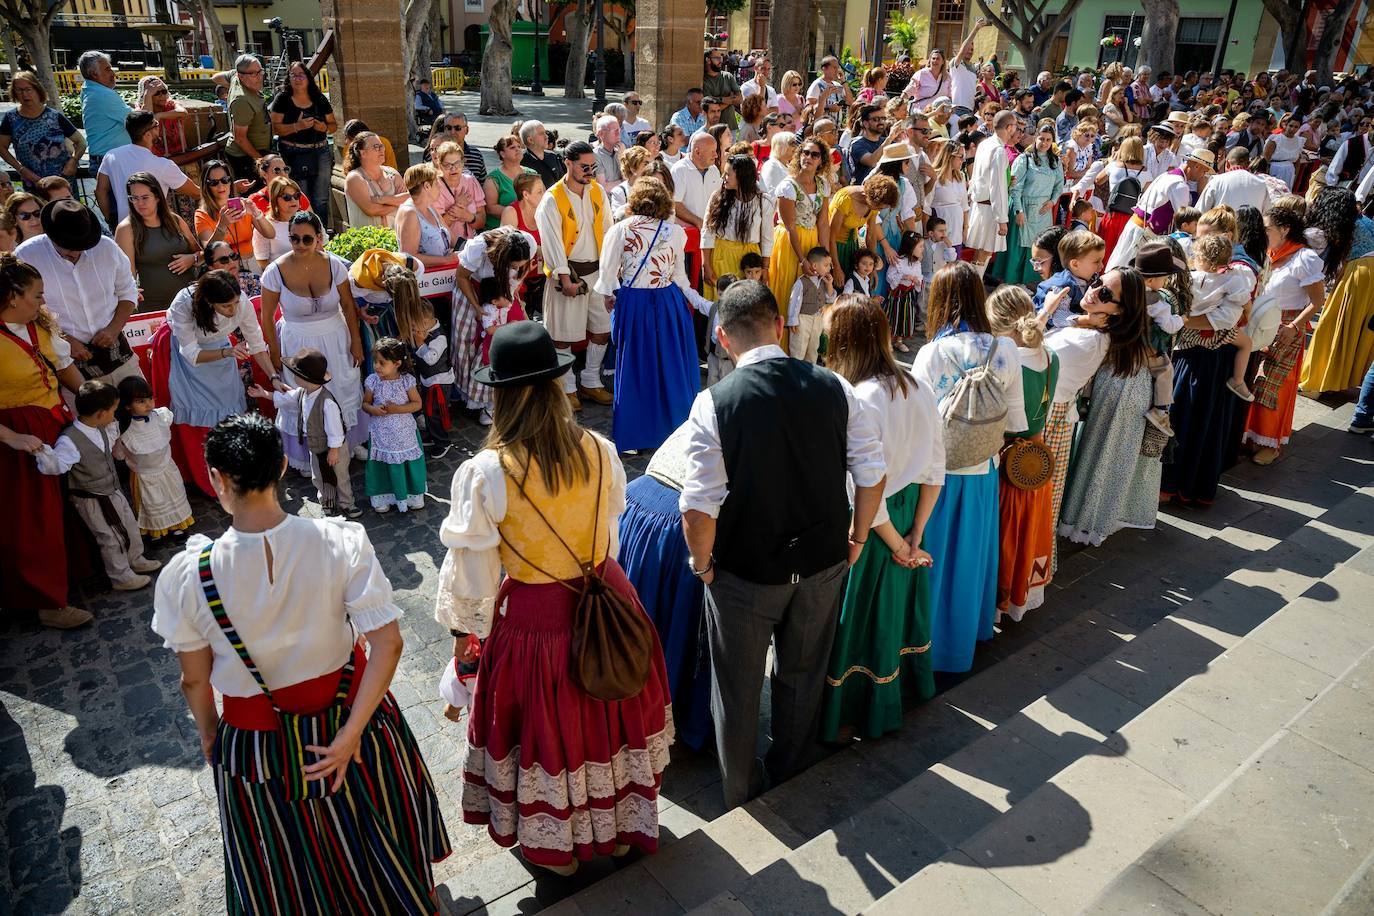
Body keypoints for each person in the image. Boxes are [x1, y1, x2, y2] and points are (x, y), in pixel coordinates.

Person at [152, 412, 450, 911]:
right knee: (376, 834)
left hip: (258, 747)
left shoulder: (188, 576)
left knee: (284, 865)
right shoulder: (340, 540)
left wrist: (210, 736)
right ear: (283, 466)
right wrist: (351, 733)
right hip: (354, 723)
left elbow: (195, 682)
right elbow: (388, 644)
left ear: (217, 479)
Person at [435, 320, 672, 871]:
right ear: (554, 386)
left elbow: (472, 577)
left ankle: (561, 850)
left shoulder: (487, 472)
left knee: (553, 731)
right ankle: (616, 832)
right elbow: (608, 532)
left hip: (537, 619)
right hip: (606, 598)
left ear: (501, 396)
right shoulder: (599, 447)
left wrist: (467, 635)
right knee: (608, 718)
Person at [680, 279, 886, 808]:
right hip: (822, 561)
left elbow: (699, 506)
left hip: (745, 573)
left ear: (723, 338)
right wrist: (858, 538)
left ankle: (741, 790)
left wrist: (702, 566)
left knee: (738, 689)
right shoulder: (833, 385)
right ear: (778, 324)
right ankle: (792, 769)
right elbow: (871, 473)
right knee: (803, 674)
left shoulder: (714, 403)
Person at [820, 295, 942, 741]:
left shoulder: (860, 397)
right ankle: (900, 691)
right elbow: (935, 466)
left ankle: (852, 709)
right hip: (909, 514)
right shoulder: (918, 385)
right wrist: (917, 535)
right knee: (897, 613)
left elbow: (867, 489)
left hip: (874, 522)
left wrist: (897, 545)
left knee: (861, 618)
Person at [912, 263, 1026, 672]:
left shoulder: (932, 353)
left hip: (939, 478)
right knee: (970, 560)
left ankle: (927, 646)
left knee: (935, 563)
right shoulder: (1006, 350)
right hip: (984, 471)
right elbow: (1016, 422)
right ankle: (964, 641)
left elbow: (921, 424)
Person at [0, 253, 90, 628]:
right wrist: (12, 437)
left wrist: (95, 407)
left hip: (53, 423)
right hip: (17, 437)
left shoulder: (40, 326)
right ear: (12, 296)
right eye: (36, 295)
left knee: (65, 507)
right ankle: (46, 602)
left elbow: (66, 370)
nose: (42, 301)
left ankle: (72, 578)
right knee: (32, 519)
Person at [595, 177, 707, 452]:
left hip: (634, 303)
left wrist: (611, 299)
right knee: (671, 363)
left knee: (635, 366)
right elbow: (680, 278)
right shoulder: (676, 233)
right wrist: (702, 303)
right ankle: (676, 430)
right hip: (668, 302)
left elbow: (607, 277)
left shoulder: (620, 230)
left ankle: (636, 434)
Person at [1057, 268, 1161, 546]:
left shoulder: (1105, 332)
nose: (1093, 290)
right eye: (1096, 281)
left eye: (1104, 293)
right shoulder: (1115, 326)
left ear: (1119, 310)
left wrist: (1080, 319)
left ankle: (1088, 522)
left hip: (1123, 394)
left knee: (1104, 455)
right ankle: (1086, 519)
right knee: (1099, 453)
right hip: (1117, 387)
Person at [258, 211, 368, 469]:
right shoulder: (275, 271)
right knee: (304, 397)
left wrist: (356, 341)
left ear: (319, 238)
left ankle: (349, 443)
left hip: (336, 336)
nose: (300, 245)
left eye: (307, 239)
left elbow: (349, 307)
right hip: (298, 343)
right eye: (294, 239)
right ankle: (309, 456)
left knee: (343, 387)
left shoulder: (334, 265)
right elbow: (266, 318)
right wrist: (275, 354)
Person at [163, 264, 273, 496]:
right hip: (188, 361)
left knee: (229, 414)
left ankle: (234, 476)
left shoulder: (241, 302)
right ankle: (207, 481)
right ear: (209, 302)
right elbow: (191, 354)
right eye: (226, 306)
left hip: (222, 354)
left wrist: (273, 376)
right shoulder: (184, 303)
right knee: (200, 422)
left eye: (235, 303)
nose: (233, 310)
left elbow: (256, 343)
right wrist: (228, 352)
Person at [18, 199, 144, 402]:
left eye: (82, 245)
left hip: (119, 356)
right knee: (88, 431)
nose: (76, 252)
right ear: (51, 236)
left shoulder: (107, 248)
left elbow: (127, 292)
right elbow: (25, 311)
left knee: (142, 423)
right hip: (66, 364)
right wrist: (64, 339)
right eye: (68, 247)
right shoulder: (27, 256)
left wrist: (113, 328)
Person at [41, 380, 161, 590]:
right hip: (92, 497)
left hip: (112, 489)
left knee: (129, 526)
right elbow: (57, 466)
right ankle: (121, 577)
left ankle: (135, 559)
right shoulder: (70, 440)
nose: (115, 416)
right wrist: (42, 453)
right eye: (113, 411)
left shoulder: (101, 427)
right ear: (100, 413)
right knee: (110, 537)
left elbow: (111, 441)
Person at [986, 284, 1058, 620]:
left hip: (1007, 462)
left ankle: (996, 603)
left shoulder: (1003, 360)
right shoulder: (1049, 356)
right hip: (1036, 459)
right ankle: (1020, 596)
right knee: (1029, 533)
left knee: (1004, 538)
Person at [535, 141, 613, 410]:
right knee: (562, 334)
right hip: (567, 273)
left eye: (593, 166)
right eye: (584, 166)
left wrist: (610, 272)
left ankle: (591, 381)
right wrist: (564, 277)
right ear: (568, 163)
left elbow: (609, 230)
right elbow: (552, 241)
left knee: (602, 329)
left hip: (597, 273)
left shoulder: (598, 192)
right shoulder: (552, 198)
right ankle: (566, 386)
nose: (590, 171)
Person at [1243, 205, 1325, 465]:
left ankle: (1271, 442)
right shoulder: (1270, 253)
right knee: (1253, 380)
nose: (1262, 232)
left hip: (1287, 326)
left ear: (1285, 229)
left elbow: (1317, 301)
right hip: (1263, 323)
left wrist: (1294, 327)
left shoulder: (1305, 258)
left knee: (1273, 386)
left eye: (1267, 228)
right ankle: (1249, 435)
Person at [451, 227, 536, 422]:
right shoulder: (478, 248)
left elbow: (520, 275)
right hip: (473, 290)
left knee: (513, 343)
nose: (516, 268)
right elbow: (462, 276)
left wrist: (511, 297)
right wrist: (478, 308)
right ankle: (480, 400)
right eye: (513, 265)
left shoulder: (527, 243)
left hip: (503, 295)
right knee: (469, 342)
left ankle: (511, 398)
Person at [1303, 190, 1374, 394]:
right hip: (1368, 273)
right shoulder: (1364, 221)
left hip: (1359, 273)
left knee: (1333, 325)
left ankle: (1317, 380)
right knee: (1358, 331)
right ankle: (1346, 378)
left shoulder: (1343, 225)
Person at [768, 136, 833, 350]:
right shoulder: (788, 186)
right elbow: (790, 226)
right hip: (790, 244)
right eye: (805, 152)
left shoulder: (823, 184)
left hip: (812, 239)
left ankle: (807, 347)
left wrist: (824, 256)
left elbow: (823, 222)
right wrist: (802, 259)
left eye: (814, 154)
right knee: (789, 290)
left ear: (821, 160)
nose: (808, 157)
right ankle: (784, 347)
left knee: (811, 295)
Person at [1107, 150, 1214, 270]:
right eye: (1204, 171)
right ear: (1197, 166)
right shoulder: (1179, 185)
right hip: (1143, 233)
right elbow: (1184, 218)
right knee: (1125, 271)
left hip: (1138, 227)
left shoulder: (1168, 175)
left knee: (1119, 265)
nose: (1203, 176)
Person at [116, 375, 193, 539]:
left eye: (150, 398)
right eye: (141, 401)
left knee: (172, 496)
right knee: (151, 503)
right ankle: (155, 530)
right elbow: (119, 454)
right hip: (144, 474)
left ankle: (176, 525)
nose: (149, 404)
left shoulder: (161, 417)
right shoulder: (124, 431)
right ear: (127, 406)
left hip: (166, 468)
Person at [114, 172, 201, 313]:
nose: (139, 203)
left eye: (145, 197)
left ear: (157, 197)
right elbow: (126, 277)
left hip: (190, 301)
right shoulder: (126, 229)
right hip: (153, 306)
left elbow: (201, 253)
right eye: (134, 198)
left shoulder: (176, 220)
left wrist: (192, 258)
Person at [95, 111, 200, 227]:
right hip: (154, 230)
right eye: (156, 125)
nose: (159, 128)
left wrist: (111, 221)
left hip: (124, 229)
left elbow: (100, 191)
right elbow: (195, 192)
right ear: (147, 134)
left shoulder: (111, 156)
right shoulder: (163, 165)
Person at [360, 336, 426, 513]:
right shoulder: (373, 381)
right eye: (375, 362)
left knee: (406, 462)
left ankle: (412, 494)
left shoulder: (406, 381)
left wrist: (397, 408)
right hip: (381, 433)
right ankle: (384, 494)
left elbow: (417, 404)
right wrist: (373, 409)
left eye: (382, 362)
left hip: (404, 432)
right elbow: (365, 403)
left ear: (397, 363)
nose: (377, 366)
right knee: (383, 463)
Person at [991, 124, 1063, 287]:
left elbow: (1059, 185)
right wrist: (1019, 210)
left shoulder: (1055, 161)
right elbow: (1015, 187)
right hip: (1024, 205)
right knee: (1019, 246)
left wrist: (1052, 201)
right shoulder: (1025, 159)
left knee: (1039, 245)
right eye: (1041, 138)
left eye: (1048, 140)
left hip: (1043, 210)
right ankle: (1011, 282)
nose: (1044, 143)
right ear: (1035, 138)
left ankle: (1031, 282)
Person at [269, 61, 337, 229]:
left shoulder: (319, 98)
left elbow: (333, 126)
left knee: (321, 198)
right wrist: (296, 127)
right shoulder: (283, 99)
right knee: (300, 197)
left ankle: (321, 235)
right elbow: (273, 128)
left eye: (301, 75)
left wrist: (323, 128)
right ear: (288, 78)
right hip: (292, 153)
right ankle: (303, 233)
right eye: (293, 75)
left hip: (320, 151)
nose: (297, 79)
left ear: (308, 78)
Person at [1190, 233, 1257, 402]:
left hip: (1190, 326)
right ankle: (1237, 380)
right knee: (1246, 343)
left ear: (1200, 259)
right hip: (1217, 330)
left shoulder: (1190, 278)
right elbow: (1245, 302)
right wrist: (1247, 315)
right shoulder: (1232, 279)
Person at [194, 159, 275, 289]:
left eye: (225, 180)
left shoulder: (243, 204)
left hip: (251, 265)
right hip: (225, 270)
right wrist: (222, 225)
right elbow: (209, 250)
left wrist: (256, 213)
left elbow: (270, 234)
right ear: (206, 186)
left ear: (231, 181)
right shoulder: (202, 214)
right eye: (214, 183)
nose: (221, 186)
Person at [702, 155, 773, 297]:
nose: (723, 177)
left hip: (750, 262)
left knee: (747, 305)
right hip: (722, 256)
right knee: (724, 304)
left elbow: (767, 238)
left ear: (742, 176)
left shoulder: (763, 201)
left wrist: (764, 268)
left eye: (728, 174)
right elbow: (707, 232)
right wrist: (706, 265)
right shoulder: (718, 197)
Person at [0, 71, 83, 192]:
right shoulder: (11, 118)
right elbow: (1, 147)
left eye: (28, 89)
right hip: (34, 183)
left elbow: (81, 142)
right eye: (19, 90)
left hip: (63, 182)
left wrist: (73, 161)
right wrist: (21, 169)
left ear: (37, 89)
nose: (24, 94)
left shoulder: (54, 116)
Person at [77, 51, 133, 185]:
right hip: (111, 163)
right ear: (94, 74)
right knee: (123, 205)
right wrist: (148, 96)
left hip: (106, 161)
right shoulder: (102, 94)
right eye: (107, 69)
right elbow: (138, 120)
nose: (113, 73)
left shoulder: (90, 89)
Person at [224, 54, 271, 184]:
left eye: (260, 71)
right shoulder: (242, 100)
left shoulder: (235, 77)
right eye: (254, 74)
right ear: (241, 76)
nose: (260, 76)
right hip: (245, 156)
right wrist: (260, 161)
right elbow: (240, 138)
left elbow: (217, 77)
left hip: (255, 152)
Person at [344, 132, 408, 229]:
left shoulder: (392, 173)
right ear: (363, 153)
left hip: (396, 238)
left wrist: (381, 200)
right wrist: (397, 204)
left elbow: (407, 199)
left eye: (382, 146)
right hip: (367, 240)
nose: (381, 150)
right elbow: (371, 210)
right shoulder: (355, 178)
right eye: (376, 147)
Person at [396, 163, 453, 268]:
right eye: (436, 183)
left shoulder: (430, 207)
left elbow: (452, 239)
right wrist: (447, 260)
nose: (440, 187)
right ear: (427, 186)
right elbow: (409, 257)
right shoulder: (409, 213)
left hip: (442, 277)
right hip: (424, 281)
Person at [786, 247, 838, 363]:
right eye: (826, 265)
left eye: (829, 265)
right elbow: (795, 301)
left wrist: (829, 284)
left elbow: (830, 299)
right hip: (803, 320)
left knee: (813, 349)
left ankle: (810, 373)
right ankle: (795, 374)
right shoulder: (802, 281)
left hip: (818, 319)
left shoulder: (824, 282)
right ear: (814, 266)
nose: (829, 268)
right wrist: (793, 320)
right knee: (798, 348)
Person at [433, 139, 486, 242]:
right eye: (447, 165)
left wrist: (468, 216)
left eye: (457, 163)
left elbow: (482, 221)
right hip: (446, 245)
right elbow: (436, 227)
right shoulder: (435, 187)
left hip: (471, 243)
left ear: (463, 163)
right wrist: (458, 206)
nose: (453, 169)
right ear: (439, 166)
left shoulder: (470, 181)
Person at [251, 175, 308, 270]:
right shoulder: (264, 226)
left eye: (296, 196)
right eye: (287, 197)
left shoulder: (310, 219)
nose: (293, 200)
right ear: (275, 200)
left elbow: (323, 248)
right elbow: (262, 262)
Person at [1198, 147, 1272, 214]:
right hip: (1251, 228)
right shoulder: (1261, 183)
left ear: (1227, 163)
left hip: (1223, 227)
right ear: (1249, 164)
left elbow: (1201, 210)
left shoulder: (1216, 180)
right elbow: (1267, 213)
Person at [133, 75, 189, 158]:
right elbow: (145, 120)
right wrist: (148, 94)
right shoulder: (140, 108)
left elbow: (183, 112)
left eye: (164, 91)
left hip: (180, 154)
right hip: (155, 158)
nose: (162, 95)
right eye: (156, 93)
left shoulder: (171, 104)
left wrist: (159, 115)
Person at [927, 139, 968, 249]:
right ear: (950, 156)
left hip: (957, 228)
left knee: (955, 263)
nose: (963, 160)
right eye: (961, 156)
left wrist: (965, 228)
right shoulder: (934, 176)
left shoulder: (961, 176)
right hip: (939, 230)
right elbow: (926, 206)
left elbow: (964, 205)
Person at [518, 120, 566, 188]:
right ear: (530, 140)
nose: (546, 137)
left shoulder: (553, 157)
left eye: (545, 133)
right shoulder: (519, 160)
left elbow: (563, 183)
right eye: (541, 134)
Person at [806, 56, 856, 121]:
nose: (837, 70)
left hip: (835, 128)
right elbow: (809, 108)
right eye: (834, 67)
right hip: (821, 127)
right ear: (824, 69)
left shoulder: (837, 85)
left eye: (838, 68)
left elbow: (850, 102)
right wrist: (828, 108)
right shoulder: (817, 85)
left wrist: (843, 81)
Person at [704, 49, 743, 125]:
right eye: (717, 58)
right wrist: (728, 100)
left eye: (720, 58)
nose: (720, 61)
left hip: (730, 126)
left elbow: (739, 99)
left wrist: (717, 100)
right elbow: (708, 108)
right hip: (712, 127)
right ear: (708, 60)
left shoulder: (728, 76)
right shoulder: (703, 80)